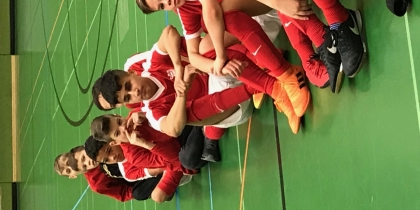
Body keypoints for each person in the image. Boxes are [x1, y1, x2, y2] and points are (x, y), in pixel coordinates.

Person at [134, 0, 325, 100]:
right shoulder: (183, 7)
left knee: (220, 16)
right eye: (161, 6)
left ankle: (296, 62)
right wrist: (217, 65)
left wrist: (221, 56)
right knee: (205, 47)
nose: (167, 2)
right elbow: (193, 56)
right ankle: (278, 84)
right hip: (253, 14)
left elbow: (213, 12)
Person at [93, 25, 304, 134]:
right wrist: (181, 93)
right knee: (184, 117)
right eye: (128, 97)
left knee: (206, 51)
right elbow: (173, 129)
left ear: (131, 73)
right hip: (231, 105)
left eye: (129, 86)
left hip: (229, 68)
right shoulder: (152, 111)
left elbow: (169, 33)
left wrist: (178, 68)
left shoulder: (152, 65)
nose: (135, 93)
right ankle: (268, 83)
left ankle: (271, 74)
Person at [53, 144, 163, 202]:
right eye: (69, 170)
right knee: (139, 194)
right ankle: (161, 178)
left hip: (136, 156)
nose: (71, 166)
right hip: (138, 178)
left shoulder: (96, 147)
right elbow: (123, 193)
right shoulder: (96, 184)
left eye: (68, 162)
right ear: (73, 176)